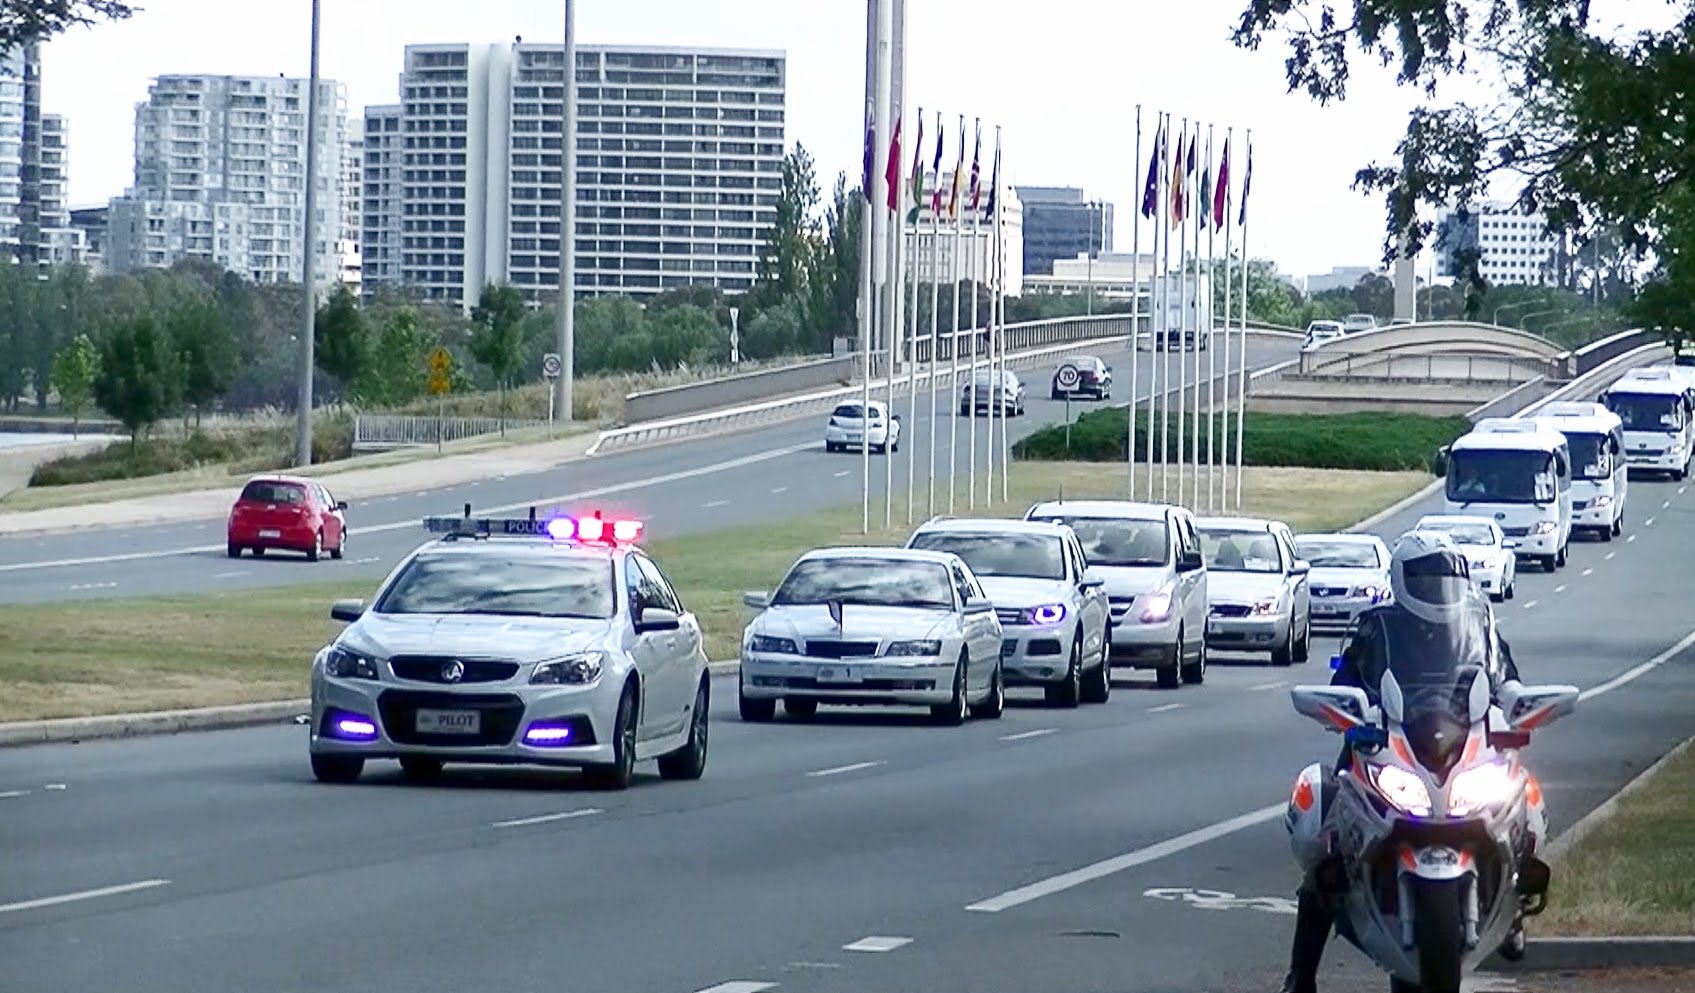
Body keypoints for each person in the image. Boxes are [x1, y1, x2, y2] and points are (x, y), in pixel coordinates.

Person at [1278, 530, 1522, 993]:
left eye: (1444, 577)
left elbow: (1505, 675)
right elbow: (1347, 677)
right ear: (1403, 578)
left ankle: (1513, 906)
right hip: (1384, 742)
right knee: (1326, 844)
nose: (1436, 586)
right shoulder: (1378, 625)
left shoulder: (1479, 623)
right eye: (1426, 577)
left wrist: (1512, 702)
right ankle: (1301, 974)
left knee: (1518, 798)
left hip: (1458, 742)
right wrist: (1348, 710)